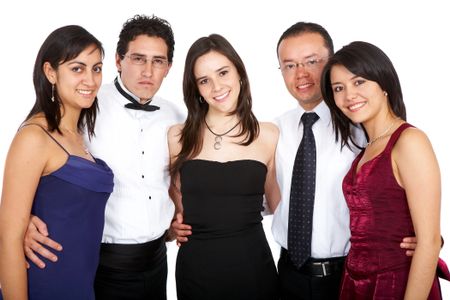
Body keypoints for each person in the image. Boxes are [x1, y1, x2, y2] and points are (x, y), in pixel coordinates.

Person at [22, 15, 184, 300]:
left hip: (158, 260)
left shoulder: (176, 116)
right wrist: (23, 220)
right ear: (119, 61)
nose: (148, 70)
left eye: (158, 61)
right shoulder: (86, 102)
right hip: (101, 263)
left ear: (168, 68)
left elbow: (175, 180)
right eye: (137, 59)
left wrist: (175, 218)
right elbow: (34, 157)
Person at [271, 22, 418, 300]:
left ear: (332, 62)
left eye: (312, 61)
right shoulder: (275, 130)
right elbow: (263, 196)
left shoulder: (363, 125)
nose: (301, 74)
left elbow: (398, 189)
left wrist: (421, 238)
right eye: (289, 65)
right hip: (288, 274)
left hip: (348, 276)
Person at [321, 40, 442, 299]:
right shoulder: (366, 148)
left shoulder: (409, 141)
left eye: (359, 82)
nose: (349, 95)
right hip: (355, 282)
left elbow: (429, 242)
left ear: (383, 83)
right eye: (338, 88)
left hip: (396, 282)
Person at [0, 25, 113, 300]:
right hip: (44, 282)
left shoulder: (79, 135)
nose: (90, 79)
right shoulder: (34, 137)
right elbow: (8, 238)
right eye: (77, 68)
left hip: (81, 283)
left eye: (96, 68)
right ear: (50, 72)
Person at [168, 33, 280, 300]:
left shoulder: (268, 134)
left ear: (239, 74)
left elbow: (280, 207)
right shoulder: (177, 136)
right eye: (204, 80)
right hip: (196, 272)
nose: (216, 86)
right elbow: (174, 201)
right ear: (195, 88)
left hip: (253, 269)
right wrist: (171, 225)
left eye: (223, 73)